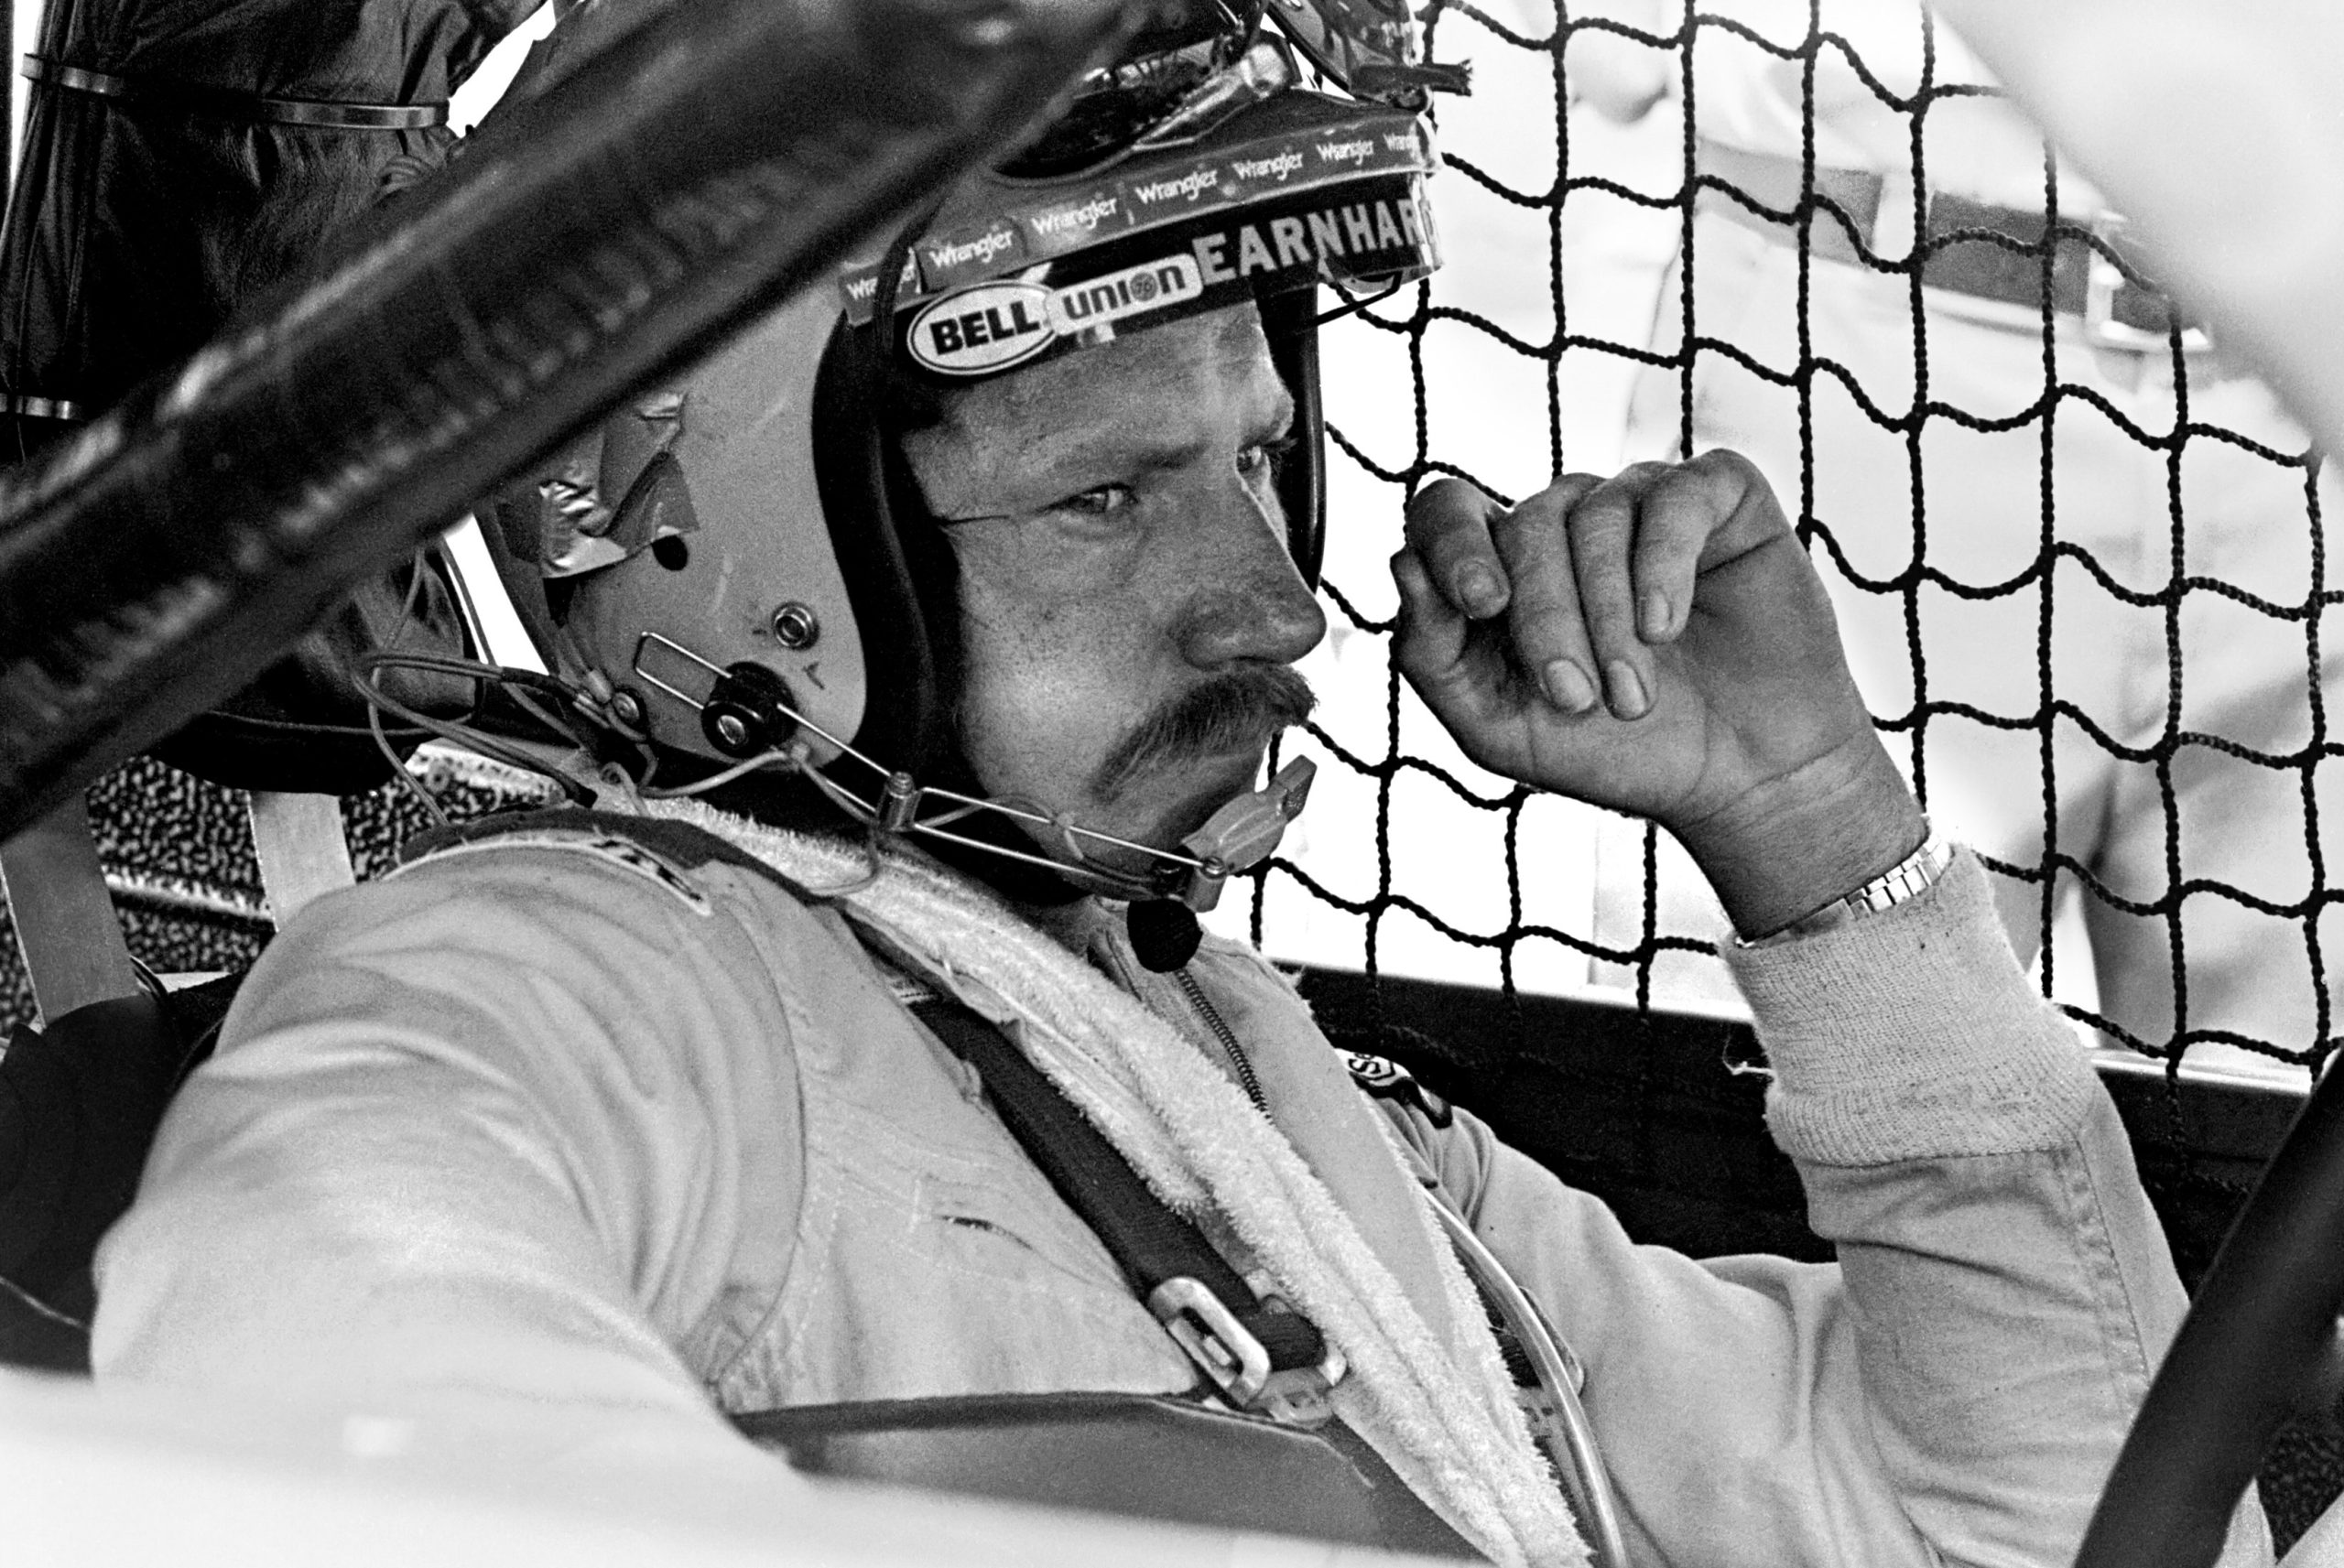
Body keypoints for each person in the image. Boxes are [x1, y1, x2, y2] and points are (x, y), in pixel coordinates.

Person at [84, 4, 2267, 1565]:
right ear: (726, 538)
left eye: (1251, 462)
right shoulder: (584, 965)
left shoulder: (1325, 1138)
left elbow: (2067, 1524)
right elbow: (314, 1340)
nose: (1273, 605)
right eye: (1109, 497)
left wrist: (1813, 844)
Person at [1569, 0, 2341, 1078]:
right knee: (1817, 1094)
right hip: (1866, 356)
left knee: (2292, 1146)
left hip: (2311, 392)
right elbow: (1610, 56)